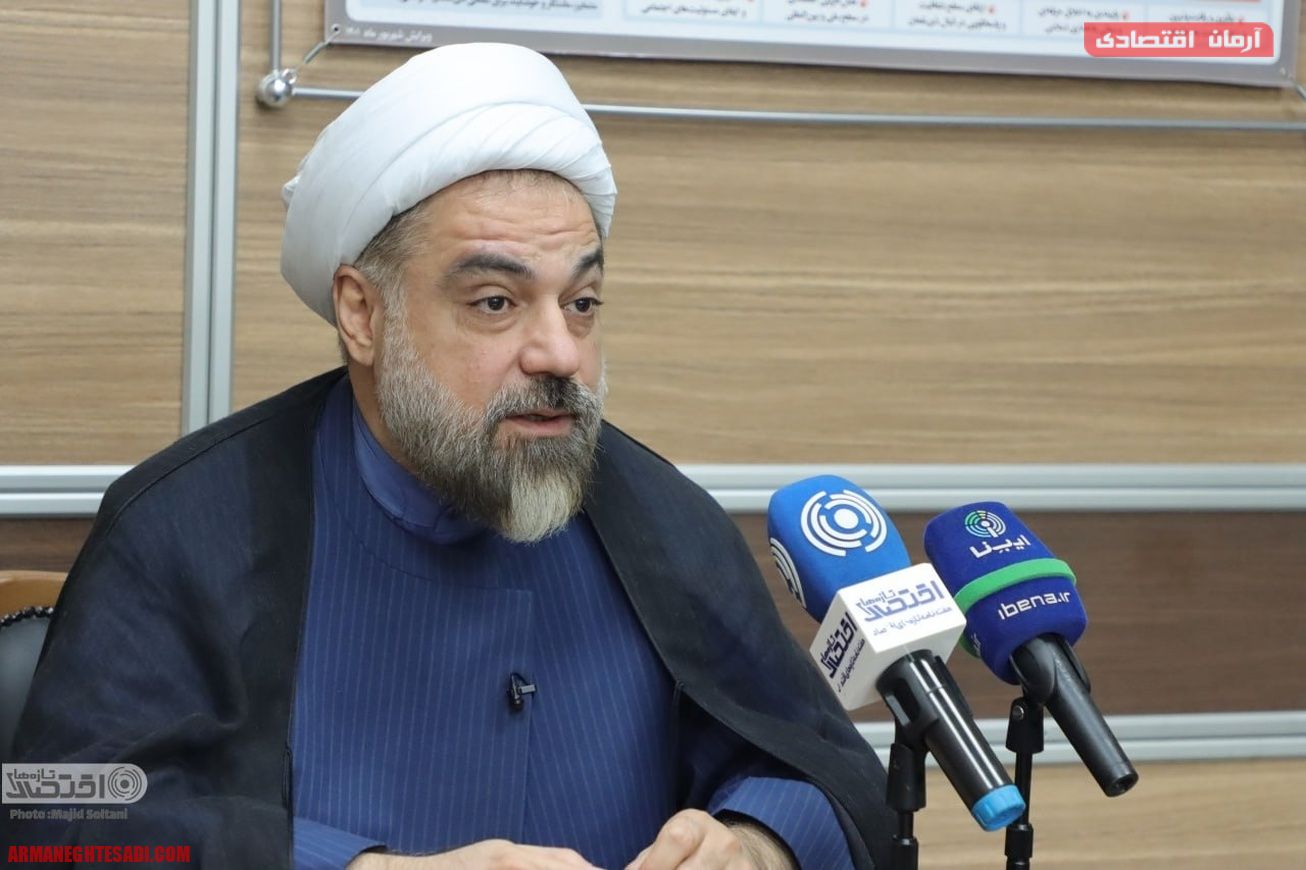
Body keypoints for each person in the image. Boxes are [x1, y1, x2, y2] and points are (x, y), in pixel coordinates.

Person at [8, 43, 894, 869]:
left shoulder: (657, 518)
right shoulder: (188, 522)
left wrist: (756, 844)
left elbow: (830, 772)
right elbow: (51, 813)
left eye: (581, 303)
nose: (560, 354)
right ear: (363, 313)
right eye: (496, 302)